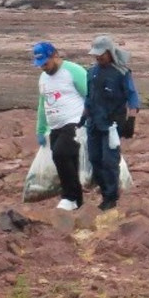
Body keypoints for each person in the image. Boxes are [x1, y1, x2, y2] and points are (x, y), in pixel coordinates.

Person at [33, 42, 89, 211]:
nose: (43, 67)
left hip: (75, 122)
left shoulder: (73, 71)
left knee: (60, 154)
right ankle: (77, 202)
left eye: (45, 63)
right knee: (69, 161)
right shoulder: (43, 78)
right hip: (55, 127)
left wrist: (92, 119)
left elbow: (90, 94)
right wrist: (41, 129)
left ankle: (69, 196)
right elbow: (43, 104)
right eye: (39, 64)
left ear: (55, 56)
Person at [84, 36, 132, 212]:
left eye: (101, 54)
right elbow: (89, 97)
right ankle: (104, 192)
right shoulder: (91, 73)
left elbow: (132, 97)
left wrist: (131, 120)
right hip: (94, 123)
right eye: (96, 55)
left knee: (109, 160)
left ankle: (111, 197)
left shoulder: (121, 73)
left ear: (109, 53)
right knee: (94, 159)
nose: (98, 58)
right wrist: (83, 117)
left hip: (112, 125)